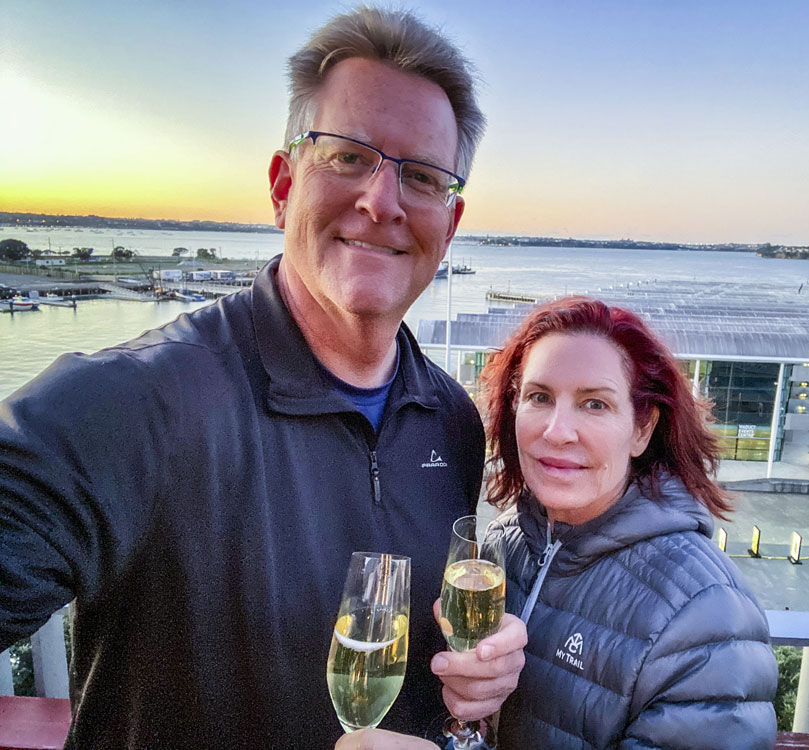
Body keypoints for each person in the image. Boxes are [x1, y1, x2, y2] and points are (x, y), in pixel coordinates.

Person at [0, 8, 525, 749]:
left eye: (423, 177)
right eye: (347, 156)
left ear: (451, 221)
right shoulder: (135, 405)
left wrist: (476, 683)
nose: (382, 201)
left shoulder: (451, 419)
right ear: (283, 186)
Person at [479, 297, 778, 749]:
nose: (557, 431)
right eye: (539, 397)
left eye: (594, 404)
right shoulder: (505, 544)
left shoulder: (707, 617)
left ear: (642, 429)